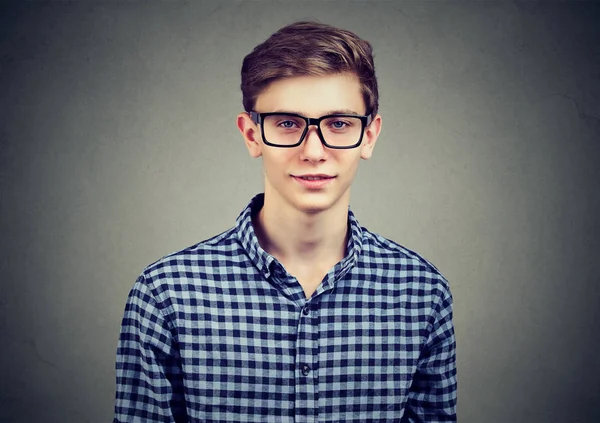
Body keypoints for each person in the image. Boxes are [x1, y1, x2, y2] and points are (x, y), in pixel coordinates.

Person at [114, 20, 457, 422]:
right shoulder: (166, 295)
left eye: (339, 123)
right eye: (288, 123)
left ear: (369, 136)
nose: (313, 151)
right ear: (251, 134)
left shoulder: (421, 294)